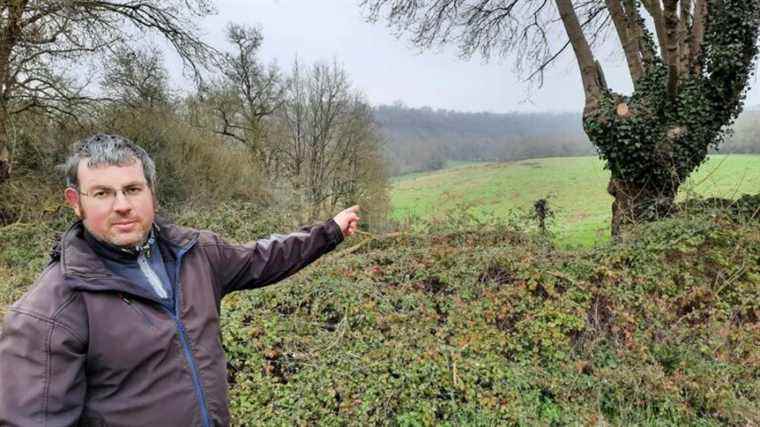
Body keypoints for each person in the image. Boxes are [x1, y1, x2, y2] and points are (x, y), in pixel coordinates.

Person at [0, 133, 360, 426]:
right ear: (75, 202)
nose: (122, 205)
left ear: (152, 191)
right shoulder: (51, 311)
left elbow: (260, 258)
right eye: (103, 193)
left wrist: (330, 232)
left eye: (132, 189)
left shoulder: (195, 253)